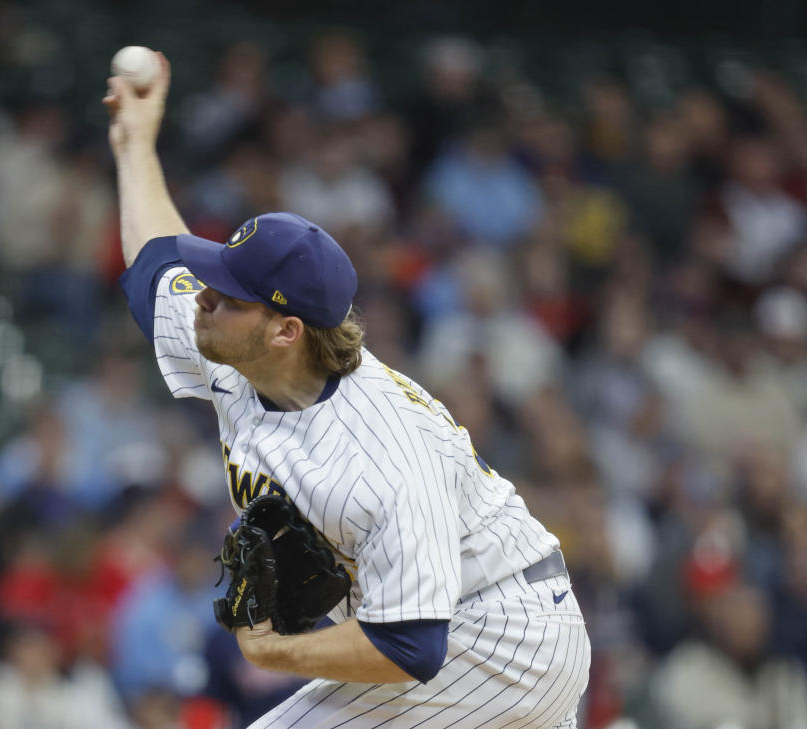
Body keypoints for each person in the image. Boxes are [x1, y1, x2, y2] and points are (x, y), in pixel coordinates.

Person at [104, 53, 590, 729]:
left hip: (500, 637)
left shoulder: (378, 453)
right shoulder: (238, 350)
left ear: (286, 330)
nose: (208, 296)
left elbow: (411, 643)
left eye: (232, 293)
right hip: (463, 624)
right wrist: (136, 139)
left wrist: (276, 650)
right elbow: (158, 256)